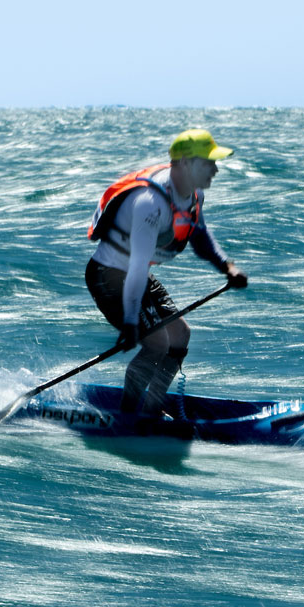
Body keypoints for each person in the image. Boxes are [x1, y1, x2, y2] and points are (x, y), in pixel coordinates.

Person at [85, 129, 249, 420]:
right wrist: (130, 323)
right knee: (157, 343)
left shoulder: (194, 194)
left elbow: (199, 235)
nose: (215, 169)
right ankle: (128, 417)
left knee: (180, 336)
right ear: (185, 163)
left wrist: (226, 266)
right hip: (108, 276)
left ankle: (152, 409)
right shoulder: (150, 203)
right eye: (208, 162)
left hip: (136, 275)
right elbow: (138, 265)